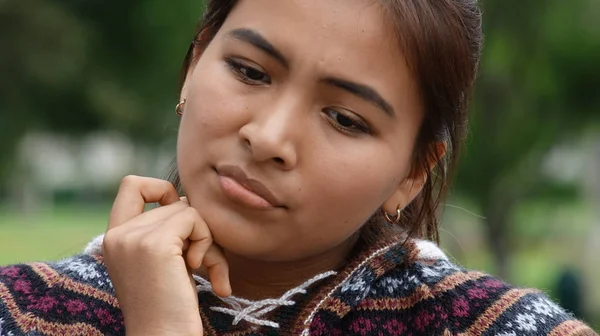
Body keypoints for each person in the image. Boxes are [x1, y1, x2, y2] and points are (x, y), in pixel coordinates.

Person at [0, 0, 597, 335]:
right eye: (251, 72)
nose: (269, 138)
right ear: (194, 64)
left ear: (412, 174)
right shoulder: (20, 314)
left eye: (344, 118)